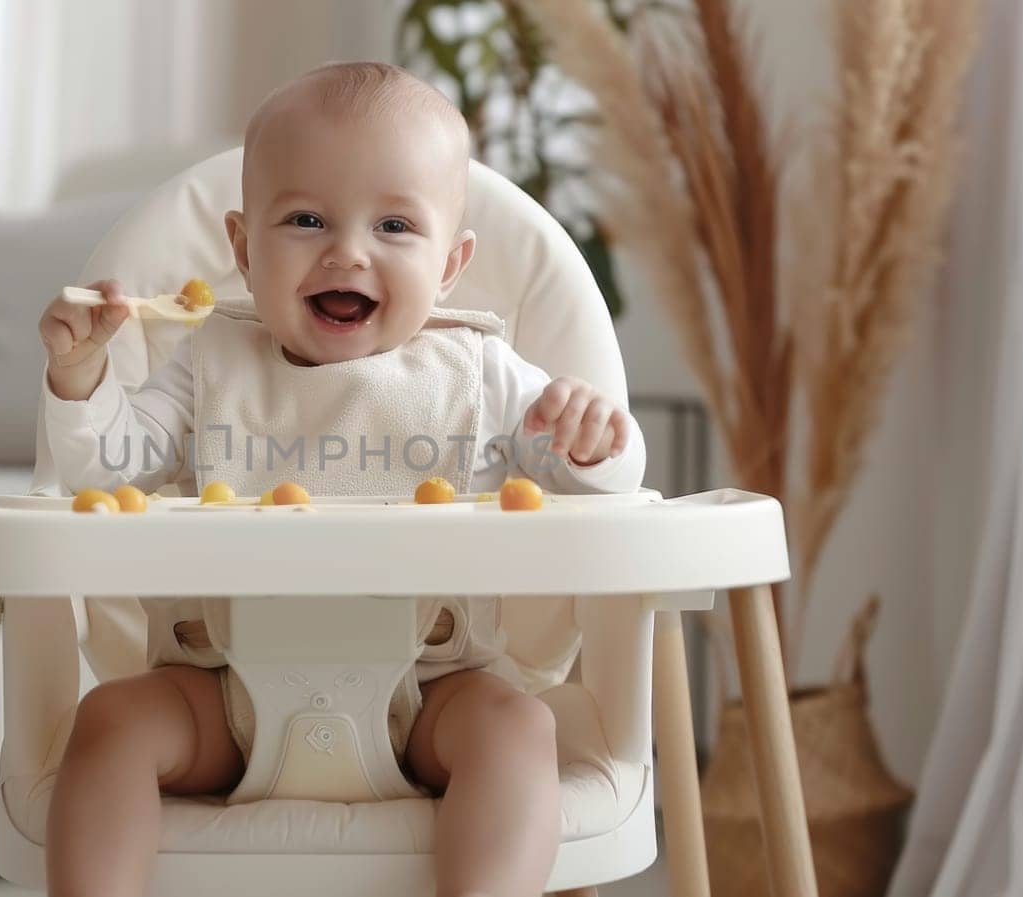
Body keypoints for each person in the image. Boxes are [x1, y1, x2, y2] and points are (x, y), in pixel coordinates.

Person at [34, 61, 646, 897]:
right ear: (244, 250)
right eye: (308, 218)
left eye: (395, 225)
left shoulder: (482, 376)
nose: (347, 251)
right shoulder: (209, 364)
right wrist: (83, 377)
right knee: (110, 723)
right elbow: (108, 466)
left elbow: (600, 495)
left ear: (452, 264)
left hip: (430, 695)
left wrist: (591, 441)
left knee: (515, 726)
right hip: (225, 693)